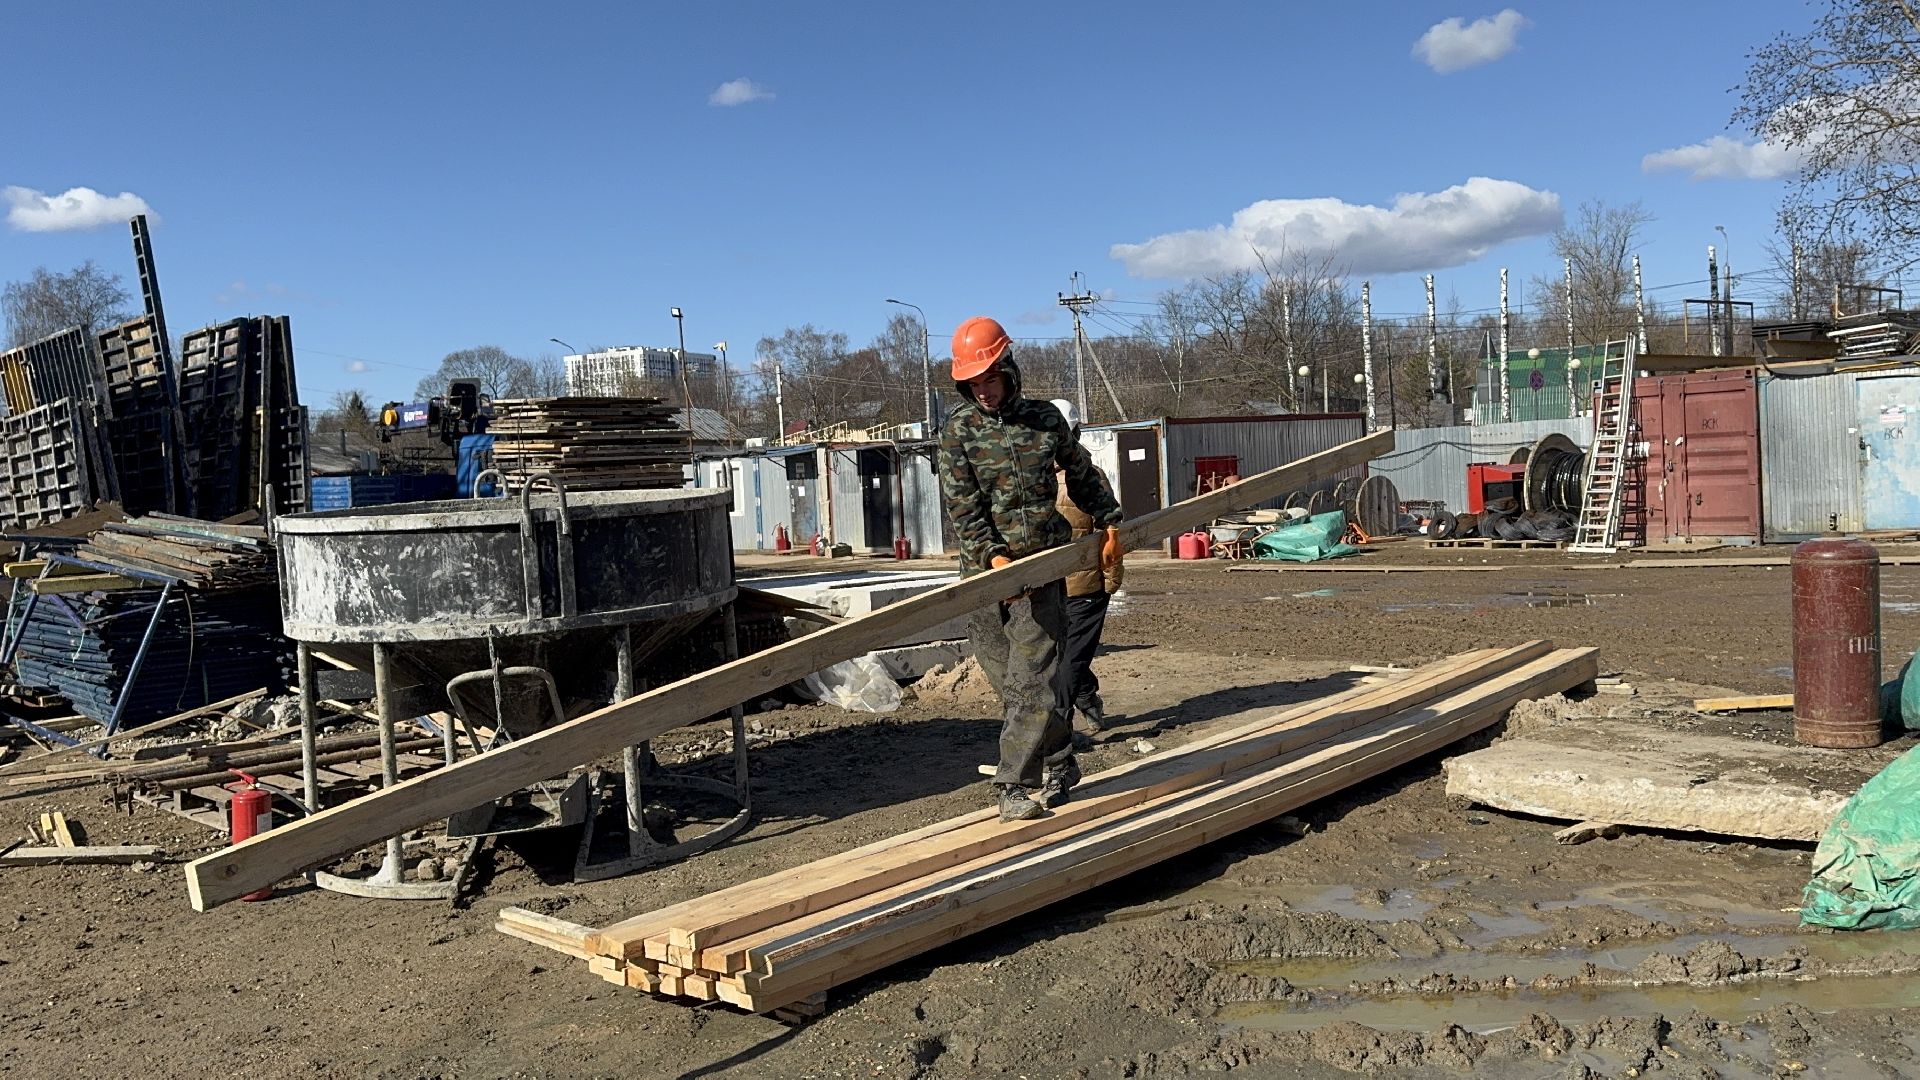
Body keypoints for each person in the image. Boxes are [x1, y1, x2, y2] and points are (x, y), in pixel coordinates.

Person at [940, 316, 1123, 822]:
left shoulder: (1045, 422)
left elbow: (1082, 472)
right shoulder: (958, 431)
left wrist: (1109, 524)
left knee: (1033, 680)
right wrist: (992, 558)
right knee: (1009, 682)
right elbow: (962, 506)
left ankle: (1013, 787)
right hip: (984, 576)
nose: (984, 392)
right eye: (973, 384)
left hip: (1041, 568)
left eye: (991, 380)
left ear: (1009, 371)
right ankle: (1063, 760)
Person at [1048, 399, 1122, 742]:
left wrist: (1109, 581)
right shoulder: (1035, 480)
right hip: (1048, 589)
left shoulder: (1090, 478)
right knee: (1066, 657)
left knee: (1069, 660)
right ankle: (1086, 696)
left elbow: (1110, 533)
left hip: (1083, 589)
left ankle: (1057, 729)